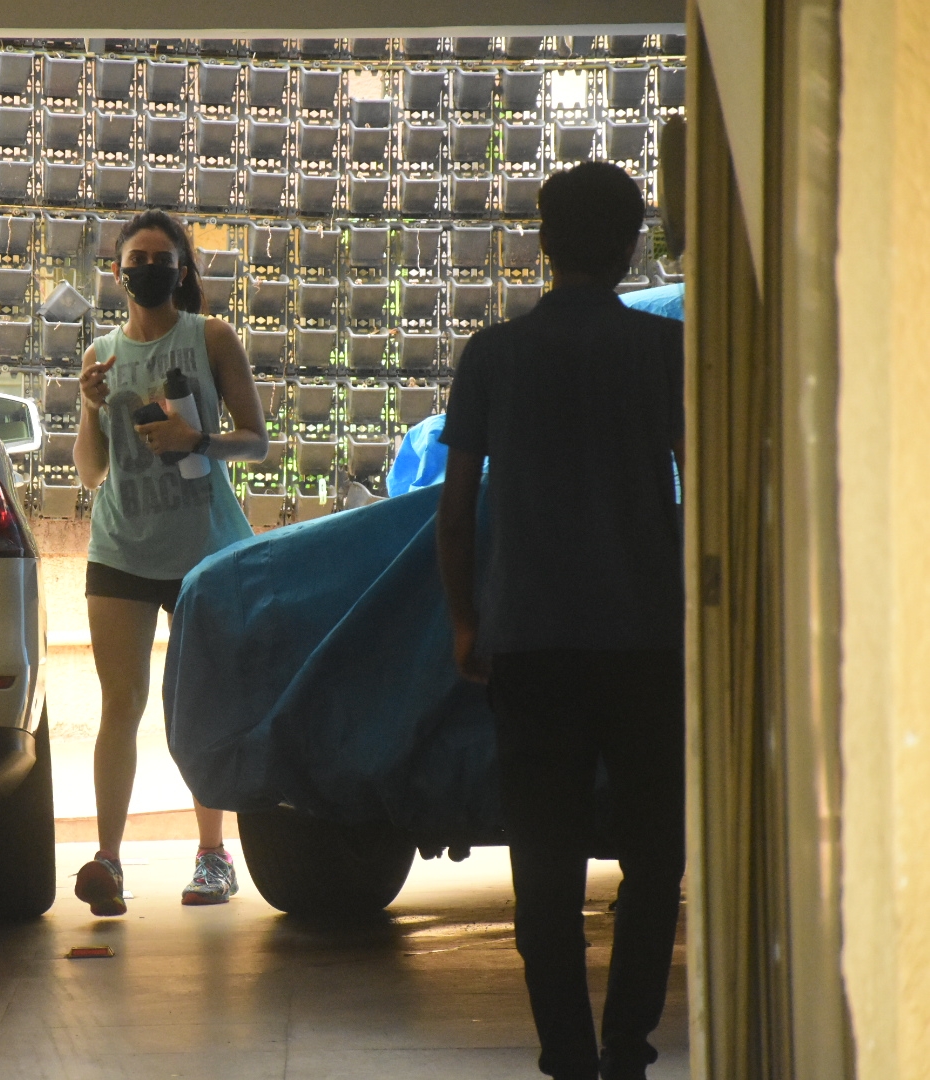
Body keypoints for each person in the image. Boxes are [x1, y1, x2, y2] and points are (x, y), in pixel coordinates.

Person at [435, 162, 686, 1080]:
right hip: (649, 643)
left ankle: (568, 1060)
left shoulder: (492, 357)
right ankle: (629, 1051)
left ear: (543, 246)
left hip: (531, 641)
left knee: (546, 870)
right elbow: (704, 490)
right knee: (654, 862)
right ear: (630, 249)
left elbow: (455, 510)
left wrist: (467, 623)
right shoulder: (665, 356)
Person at [71, 209, 269, 916]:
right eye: (137, 256)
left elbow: (256, 443)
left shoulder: (211, 337)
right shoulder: (99, 354)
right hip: (121, 550)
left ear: (181, 271)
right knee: (118, 705)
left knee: (198, 706)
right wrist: (90, 410)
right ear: (119, 270)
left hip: (203, 553)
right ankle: (108, 860)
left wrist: (198, 441)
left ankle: (214, 855)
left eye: (163, 257)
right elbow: (91, 473)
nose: (148, 267)